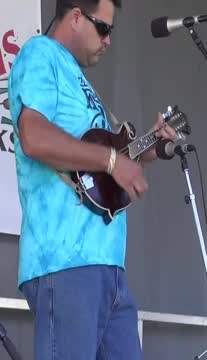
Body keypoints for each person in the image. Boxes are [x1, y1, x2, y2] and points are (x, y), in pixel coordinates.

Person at [8, 0, 177, 358]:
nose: (108, 40)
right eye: (104, 28)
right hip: (65, 262)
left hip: (109, 266)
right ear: (74, 17)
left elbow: (108, 160)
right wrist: (114, 160)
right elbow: (34, 137)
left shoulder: (80, 81)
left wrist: (149, 149)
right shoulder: (40, 54)